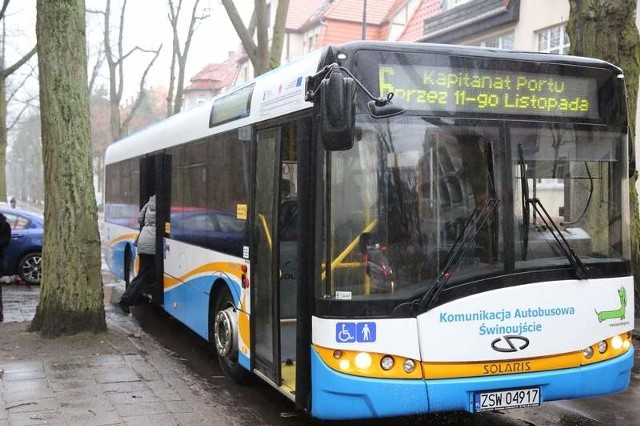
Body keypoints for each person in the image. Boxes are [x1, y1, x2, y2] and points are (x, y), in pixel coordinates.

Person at [119, 195, 156, 314]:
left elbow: (140, 219)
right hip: (151, 242)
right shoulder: (162, 205)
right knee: (144, 275)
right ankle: (126, 299)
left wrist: (148, 224)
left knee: (143, 273)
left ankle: (135, 296)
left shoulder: (149, 203)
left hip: (143, 239)